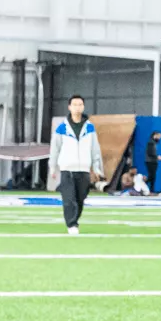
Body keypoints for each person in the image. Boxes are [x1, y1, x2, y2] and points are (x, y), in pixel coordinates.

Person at [48, 95, 103, 235]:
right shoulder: (62, 128)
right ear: (69, 107)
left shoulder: (90, 127)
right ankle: (72, 224)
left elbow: (95, 149)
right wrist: (52, 167)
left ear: (83, 107)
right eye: (74, 104)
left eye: (80, 104)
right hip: (67, 169)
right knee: (69, 198)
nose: (77, 107)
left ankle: (74, 219)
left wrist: (96, 168)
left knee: (80, 199)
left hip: (84, 169)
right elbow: (55, 148)